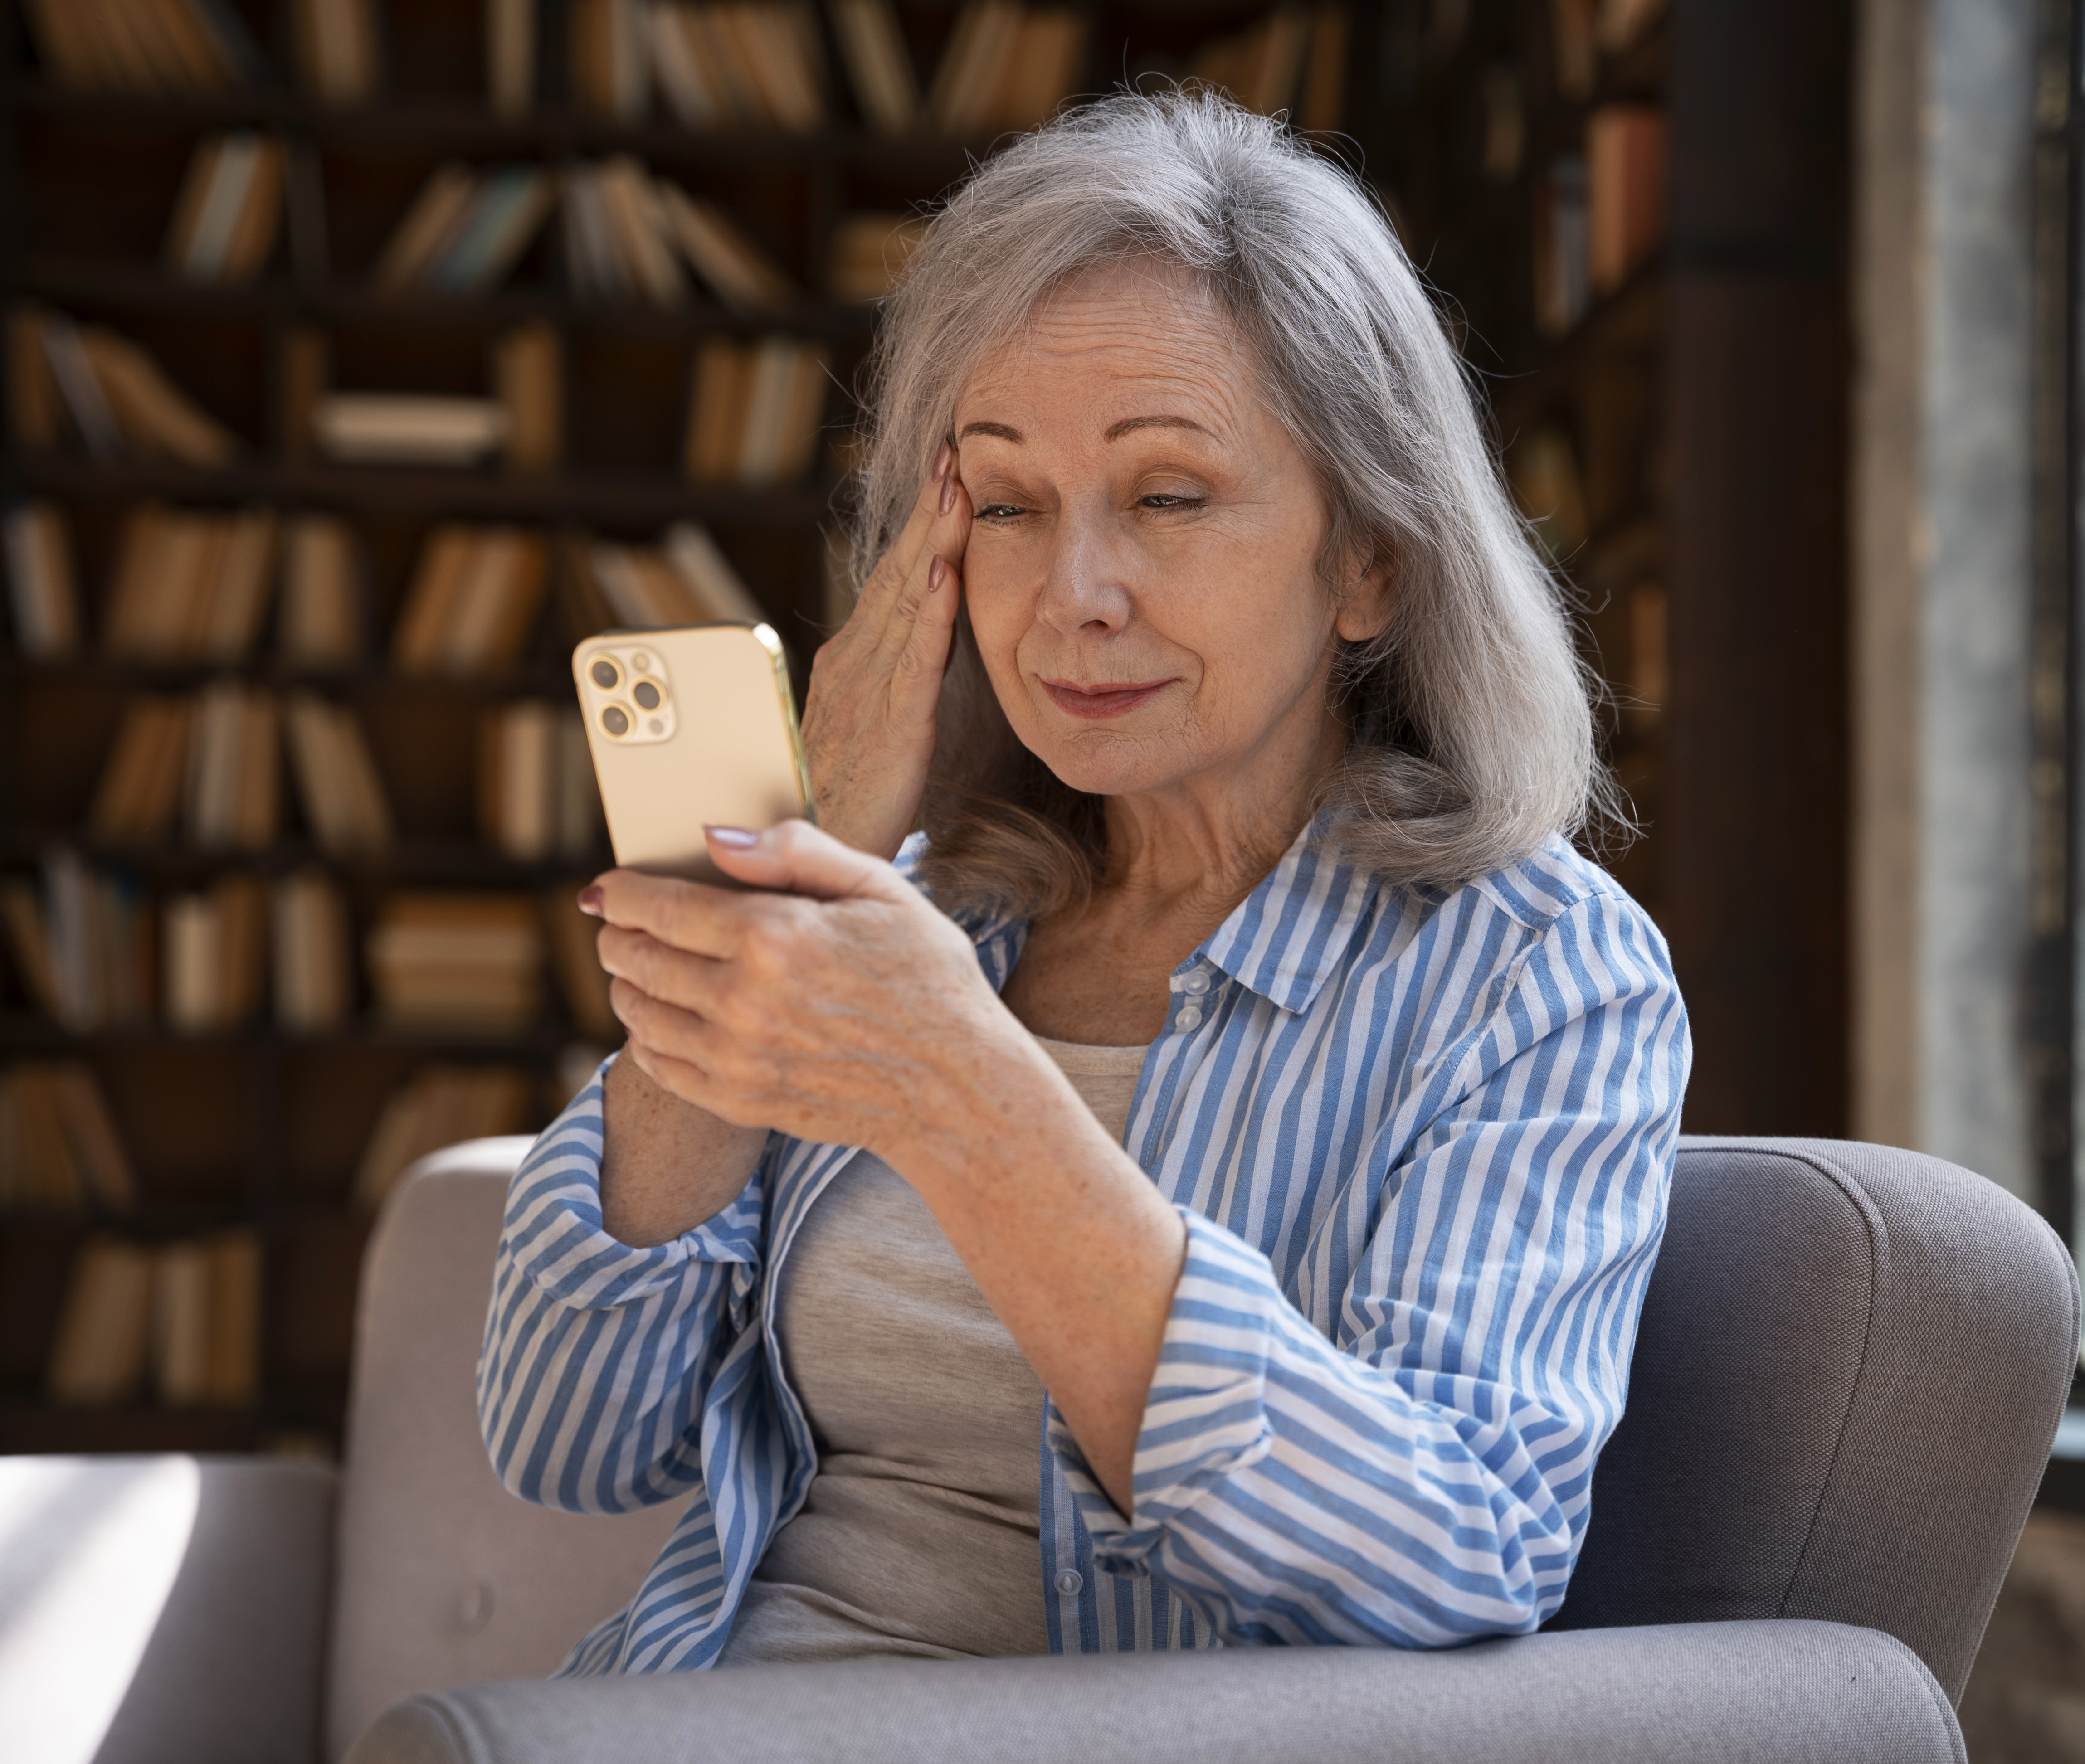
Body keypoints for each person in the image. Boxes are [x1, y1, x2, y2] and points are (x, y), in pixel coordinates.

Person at [478, 87, 1690, 1673]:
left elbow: (1459, 1543)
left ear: (1372, 559)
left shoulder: (1538, 973)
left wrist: (965, 1097)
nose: (1074, 596)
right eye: (1009, 507)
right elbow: (568, 1428)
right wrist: (796, 876)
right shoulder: (925, 913)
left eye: (1167, 496)